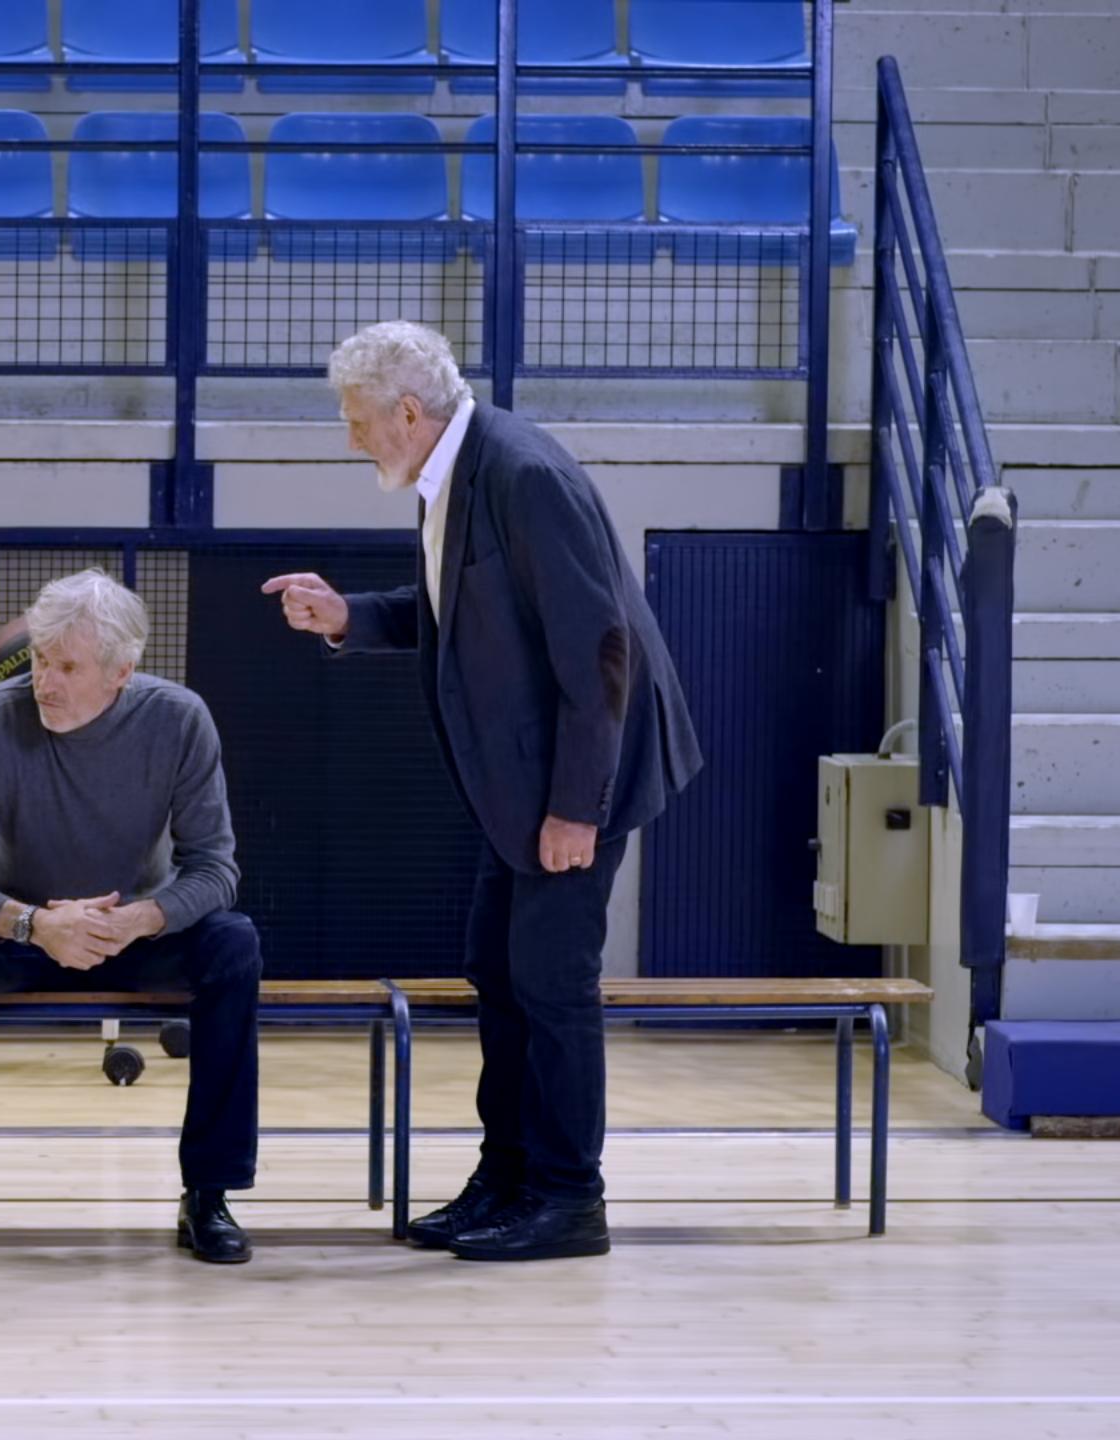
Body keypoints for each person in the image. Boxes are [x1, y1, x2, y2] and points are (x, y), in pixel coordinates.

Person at [264, 320, 702, 1262]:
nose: (349, 440)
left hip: (582, 775)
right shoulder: (454, 473)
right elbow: (455, 615)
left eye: (355, 422)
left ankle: (567, 1195)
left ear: (407, 412)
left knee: (551, 981)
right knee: (497, 970)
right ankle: (507, 1175)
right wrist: (349, 617)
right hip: (530, 779)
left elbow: (600, 650)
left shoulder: (522, 474)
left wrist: (576, 808)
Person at [0, 569, 260, 1265]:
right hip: (17, 933)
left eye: (66, 666)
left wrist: (145, 919)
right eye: (37, 658)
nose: (44, 682)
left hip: (133, 930)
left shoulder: (179, 720)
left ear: (121, 672)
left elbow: (216, 868)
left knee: (233, 945)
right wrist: (32, 924)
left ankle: (209, 1193)